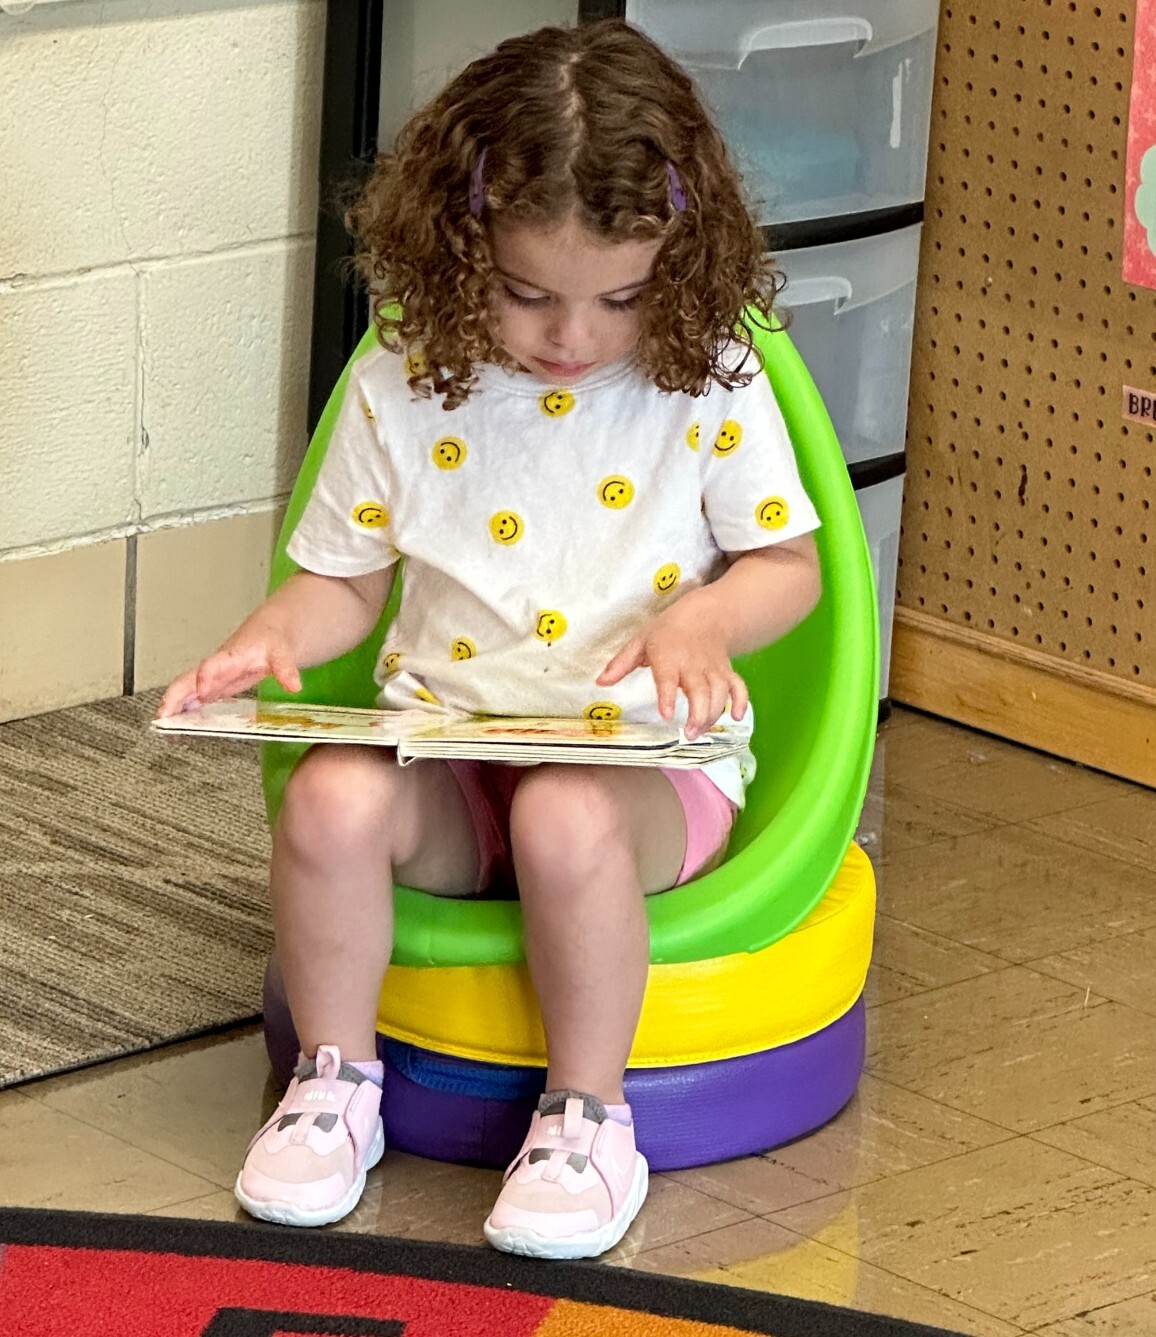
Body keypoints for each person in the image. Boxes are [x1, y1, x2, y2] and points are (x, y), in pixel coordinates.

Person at [158, 18, 822, 1260]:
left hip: (640, 776)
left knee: (563, 814)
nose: (573, 337)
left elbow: (789, 564)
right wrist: (264, 637)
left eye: (621, 297)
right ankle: (337, 1080)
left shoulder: (707, 379)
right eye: (528, 294)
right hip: (453, 759)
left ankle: (586, 1116)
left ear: (677, 262)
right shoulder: (402, 378)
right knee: (328, 803)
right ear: (458, 246)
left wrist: (704, 617)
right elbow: (340, 586)